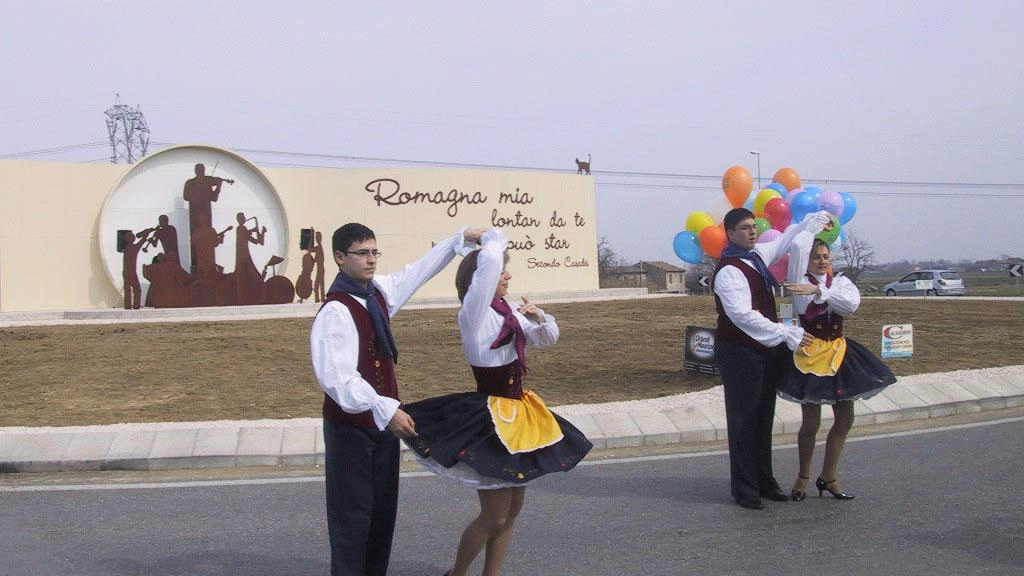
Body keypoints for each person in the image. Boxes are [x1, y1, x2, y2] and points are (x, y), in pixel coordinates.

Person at [403, 227, 592, 576]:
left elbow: (546, 339)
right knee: (495, 515)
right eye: (502, 269)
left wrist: (540, 318)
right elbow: (489, 261)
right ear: (481, 280)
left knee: (514, 508)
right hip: (490, 419)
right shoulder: (474, 314)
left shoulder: (509, 312)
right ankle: (457, 573)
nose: (507, 274)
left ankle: (493, 573)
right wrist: (490, 237)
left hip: (518, 414)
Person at [310, 223, 481, 576]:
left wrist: (458, 240)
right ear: (340, 258)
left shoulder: (377, 294)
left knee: (381, 516)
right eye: (362, 253)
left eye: (374, 252)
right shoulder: (336, 311)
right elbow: (338, 379)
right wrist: (385, 409)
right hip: (352, 430)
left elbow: (417, 272)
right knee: (352, 520)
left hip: (384, 426)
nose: (371, 260)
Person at [712, 207, 831, 510]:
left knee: (763, 419)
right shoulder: (730, 270)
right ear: (730, 234)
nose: (752, 231)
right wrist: (784, 332)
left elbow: (784, 241)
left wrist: (809, 223)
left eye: (753, 226)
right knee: (743, 421)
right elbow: (741, 316)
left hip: (763, 351)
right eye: (744, 228)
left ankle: (765, 481)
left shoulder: (754, 257)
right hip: (740, 352)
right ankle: (745, 488)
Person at [779, 237, 897, 501]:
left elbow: (850, 306)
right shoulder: (799, 281)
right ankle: (803, 476)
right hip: (810, 355)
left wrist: (821, 292)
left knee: (845, 418)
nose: (822, 261)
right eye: (816, 257)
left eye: (826, 256)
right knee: (811, 421)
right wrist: (810, 226)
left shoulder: (841, 283)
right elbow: (801, 307)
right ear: (807, 261)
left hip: (840, 353)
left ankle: (829, 476)